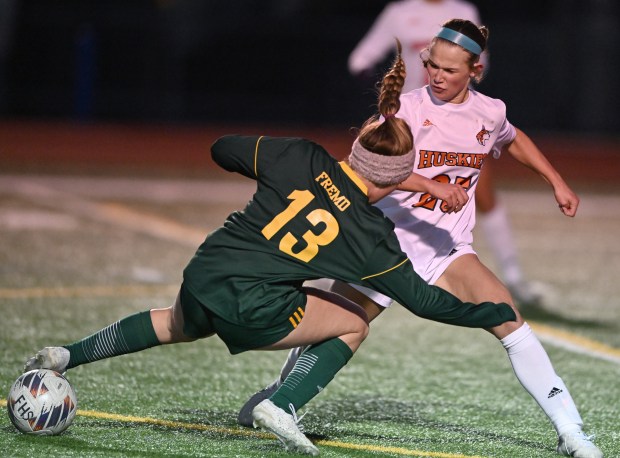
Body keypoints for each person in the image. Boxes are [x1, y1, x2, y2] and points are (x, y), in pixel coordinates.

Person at [23, 42, 516, 457]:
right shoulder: (371, 235)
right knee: (354, 323)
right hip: (251, 305)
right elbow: (426, 302)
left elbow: (222, 147)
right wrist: (491, 312)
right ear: (399, 177)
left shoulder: (300, 154)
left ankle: (66, 354)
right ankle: (282, 403)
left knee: (174, 323)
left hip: (208, 271)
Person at [237, 20, 603, 458]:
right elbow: (364, 168)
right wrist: (430, 186)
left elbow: (512, 137)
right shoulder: (404, 111)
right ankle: (283, 395)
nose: (437, 76)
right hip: (382, 244)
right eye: (432, 65)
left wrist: (555, 180)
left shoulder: (490, 111)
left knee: (508, 319)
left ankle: (571, 432)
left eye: (450, 70)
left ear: (476, 71)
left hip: (445, 250)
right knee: (338, 325)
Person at [348, 0, 541, 305]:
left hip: (455, 124)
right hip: (409, 128)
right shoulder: (398, 13)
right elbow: (361, 58)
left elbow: (479, 64)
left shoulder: (465, 11)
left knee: (484, 194)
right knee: (375, 185)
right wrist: (387, 96)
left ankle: (513, 275)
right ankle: (350, 259)